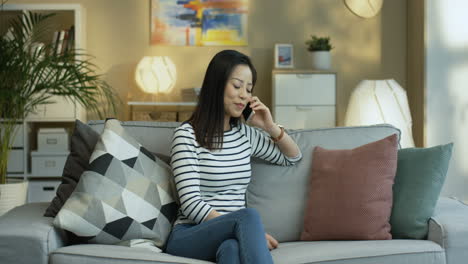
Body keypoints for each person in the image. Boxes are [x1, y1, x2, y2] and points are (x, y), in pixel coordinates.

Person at [166, 50, 302, 264]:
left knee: (231, 249)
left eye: (248, 89)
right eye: (237, 86)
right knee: (249, 216)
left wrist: (269, 126)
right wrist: (248, 230)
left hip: (231, 235)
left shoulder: (245, 135)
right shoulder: (187, 135)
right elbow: (191, 203)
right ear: (217, 84)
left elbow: (292, 157)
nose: (244, 95)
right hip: (190, 233)